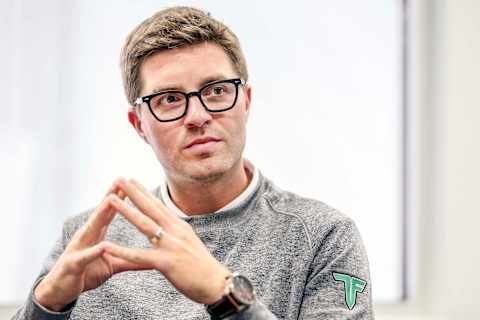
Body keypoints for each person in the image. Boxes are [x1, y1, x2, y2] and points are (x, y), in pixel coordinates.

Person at [12, 6, 374, 320]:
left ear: (245, 101)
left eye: (216, 91)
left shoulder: (324, 237)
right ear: (139, 124)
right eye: (170, 99)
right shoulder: (90, 241)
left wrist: (225, 294)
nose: (198, 116)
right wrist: (45, 304)